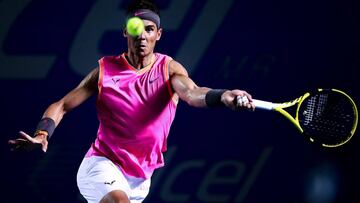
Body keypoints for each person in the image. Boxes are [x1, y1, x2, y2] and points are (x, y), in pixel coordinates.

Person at [8, 0, 255, 202]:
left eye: (150, 29)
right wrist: (43, 132)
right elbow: (62, 105)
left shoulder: (168, 70)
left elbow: (193, 93)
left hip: (139, 180)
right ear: (126, 31)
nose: (143, 36)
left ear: (158, 34)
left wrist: (224, 95)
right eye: (137, 28)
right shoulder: (105, 70)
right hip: (101, 165)